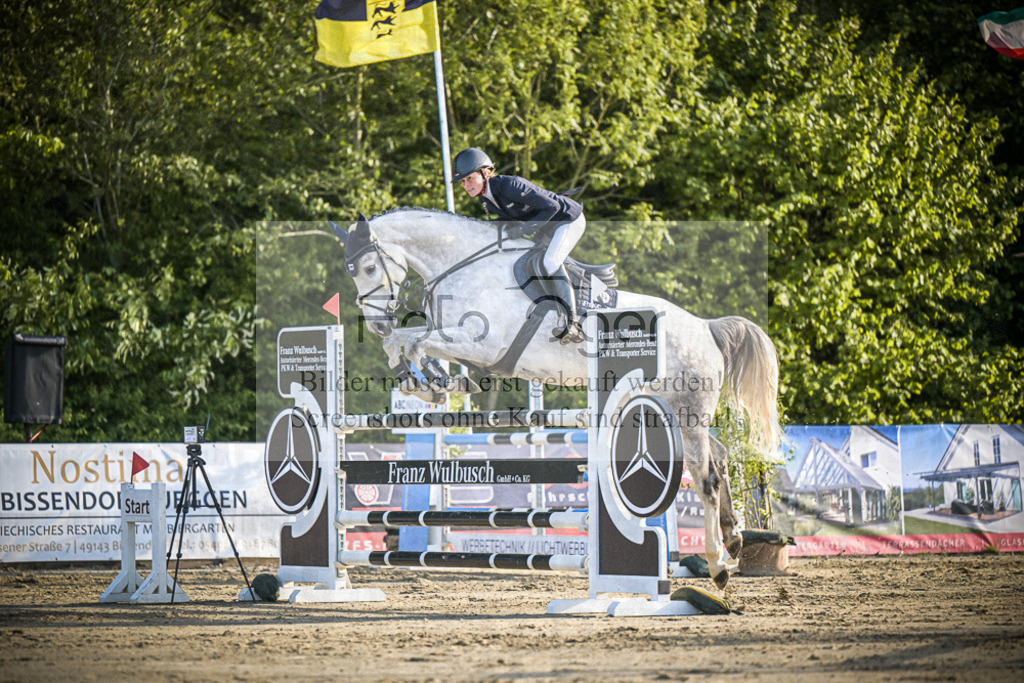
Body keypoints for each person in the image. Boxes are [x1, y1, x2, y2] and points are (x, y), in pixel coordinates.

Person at [451, 147, 586, 343]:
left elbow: (553, 207)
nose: (465, 185)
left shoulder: (509, 185)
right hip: (548, 228)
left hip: (567, 219)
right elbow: (506, 222)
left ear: (485, 173)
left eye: (469, 178)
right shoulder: (486, 198)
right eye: (462, 182)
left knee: (550, 262)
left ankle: (572, 323)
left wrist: (523, 230)